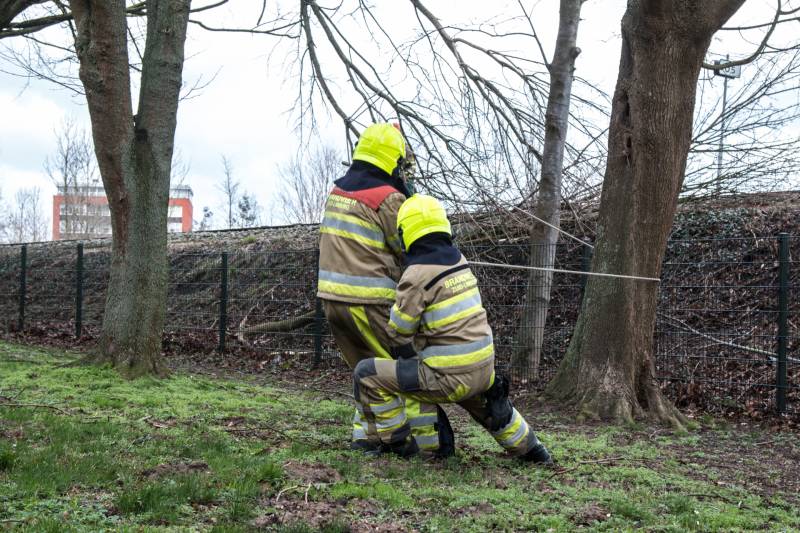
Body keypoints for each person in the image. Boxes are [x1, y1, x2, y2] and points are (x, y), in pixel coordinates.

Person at [352, 194, 553, 462]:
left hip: (447, 377)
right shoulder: (460, 261)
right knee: (486, 406)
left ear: (405, 233)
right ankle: (532, 450)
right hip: (483, 371)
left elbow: (398, 332)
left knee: (366, 373)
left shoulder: (416, 275)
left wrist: (397, 314)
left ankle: (396, 442)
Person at [317, 123, 454, 457]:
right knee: (400, 369)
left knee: (365, 371)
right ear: (393, 160)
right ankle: (414, 443)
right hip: (371, 303)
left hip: (333, 302)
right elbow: (409, 245)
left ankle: (365, 438)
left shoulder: (338, 193)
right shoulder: (387, 198)